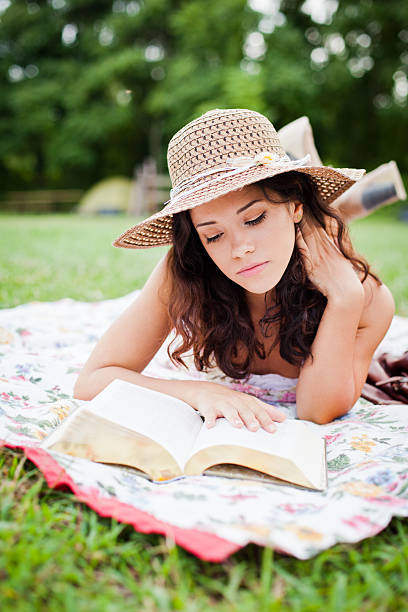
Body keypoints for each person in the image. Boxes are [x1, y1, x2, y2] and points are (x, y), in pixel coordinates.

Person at [74, 108, 395, 432]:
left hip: (307, 236)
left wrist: (344, 299)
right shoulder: (188, 269)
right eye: (214, 235)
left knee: (310, 231)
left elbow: (316, 412)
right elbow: (91, 382)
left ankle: (331, 208)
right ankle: (325, 195)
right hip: (288, 216)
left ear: (295, 204)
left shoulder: (368, 298)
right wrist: (198, 392)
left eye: (255, 219)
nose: (240, 249)